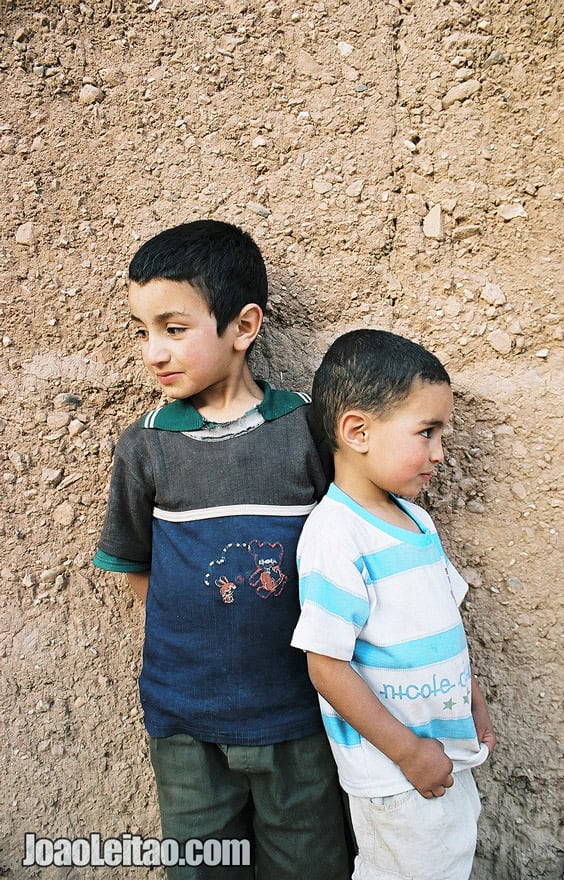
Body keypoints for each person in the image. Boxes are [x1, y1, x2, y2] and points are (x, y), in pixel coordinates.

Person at [93, 219, 349, 879]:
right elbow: (137, 567)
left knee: (309, 862)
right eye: (142, 331)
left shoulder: (302, 430)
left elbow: (348, 545)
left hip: (300, 716)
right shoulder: (146, 446)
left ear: (243, 326)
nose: (153, 351)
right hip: (186, 721)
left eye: (174, 330)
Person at [291, 329, 496, 880]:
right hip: (394, 773)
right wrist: (406, 752)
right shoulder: (335, 537)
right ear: (357, 431)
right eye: (427, 432)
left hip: (442, 755)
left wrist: (471, 697)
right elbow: (326, 665)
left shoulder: (416, 521)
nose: (440, 452)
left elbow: (443, 623)